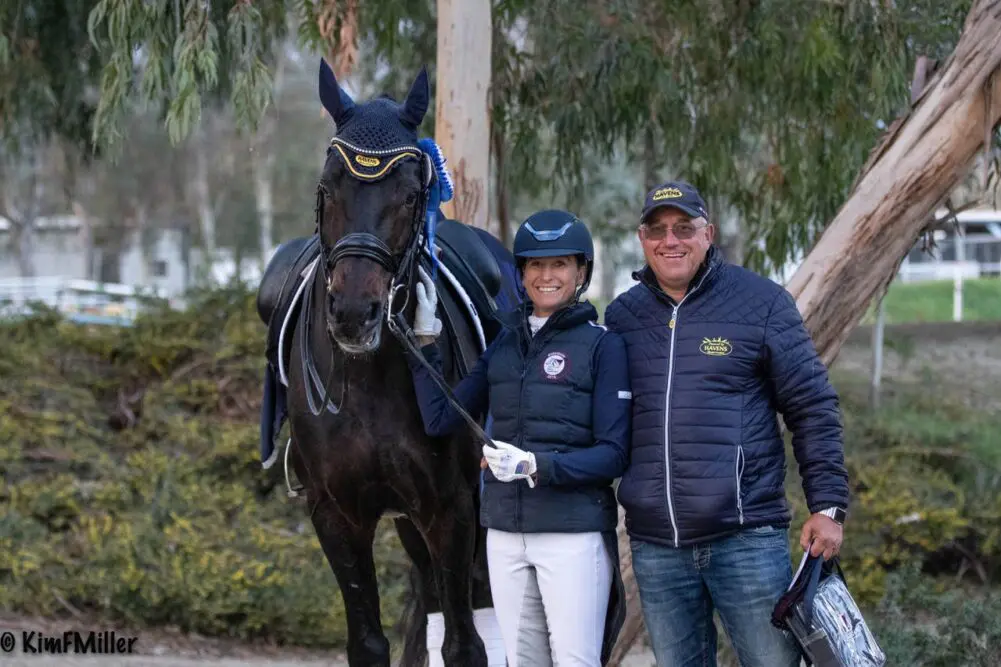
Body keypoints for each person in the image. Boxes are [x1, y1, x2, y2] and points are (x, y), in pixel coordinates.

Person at [604, 180, 850, 667]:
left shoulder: (761, 303)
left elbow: (812, 406)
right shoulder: (622, 317)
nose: (670, 240)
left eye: (683, 228)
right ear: (642, 239)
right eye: (658, 230)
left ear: (708, 233)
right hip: (658, 546)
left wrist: (828, 505)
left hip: (746, 539)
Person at [407, 209, 631, 667]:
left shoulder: (604, 346)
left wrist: (535, 465)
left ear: (581, 271)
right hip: (505, 534)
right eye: (535, 265)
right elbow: (437, 418)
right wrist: (425, 340)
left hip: (572, 535)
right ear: (522, 273)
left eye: (559, 265)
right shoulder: (503, 347)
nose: (546, 276)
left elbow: (614, 456)